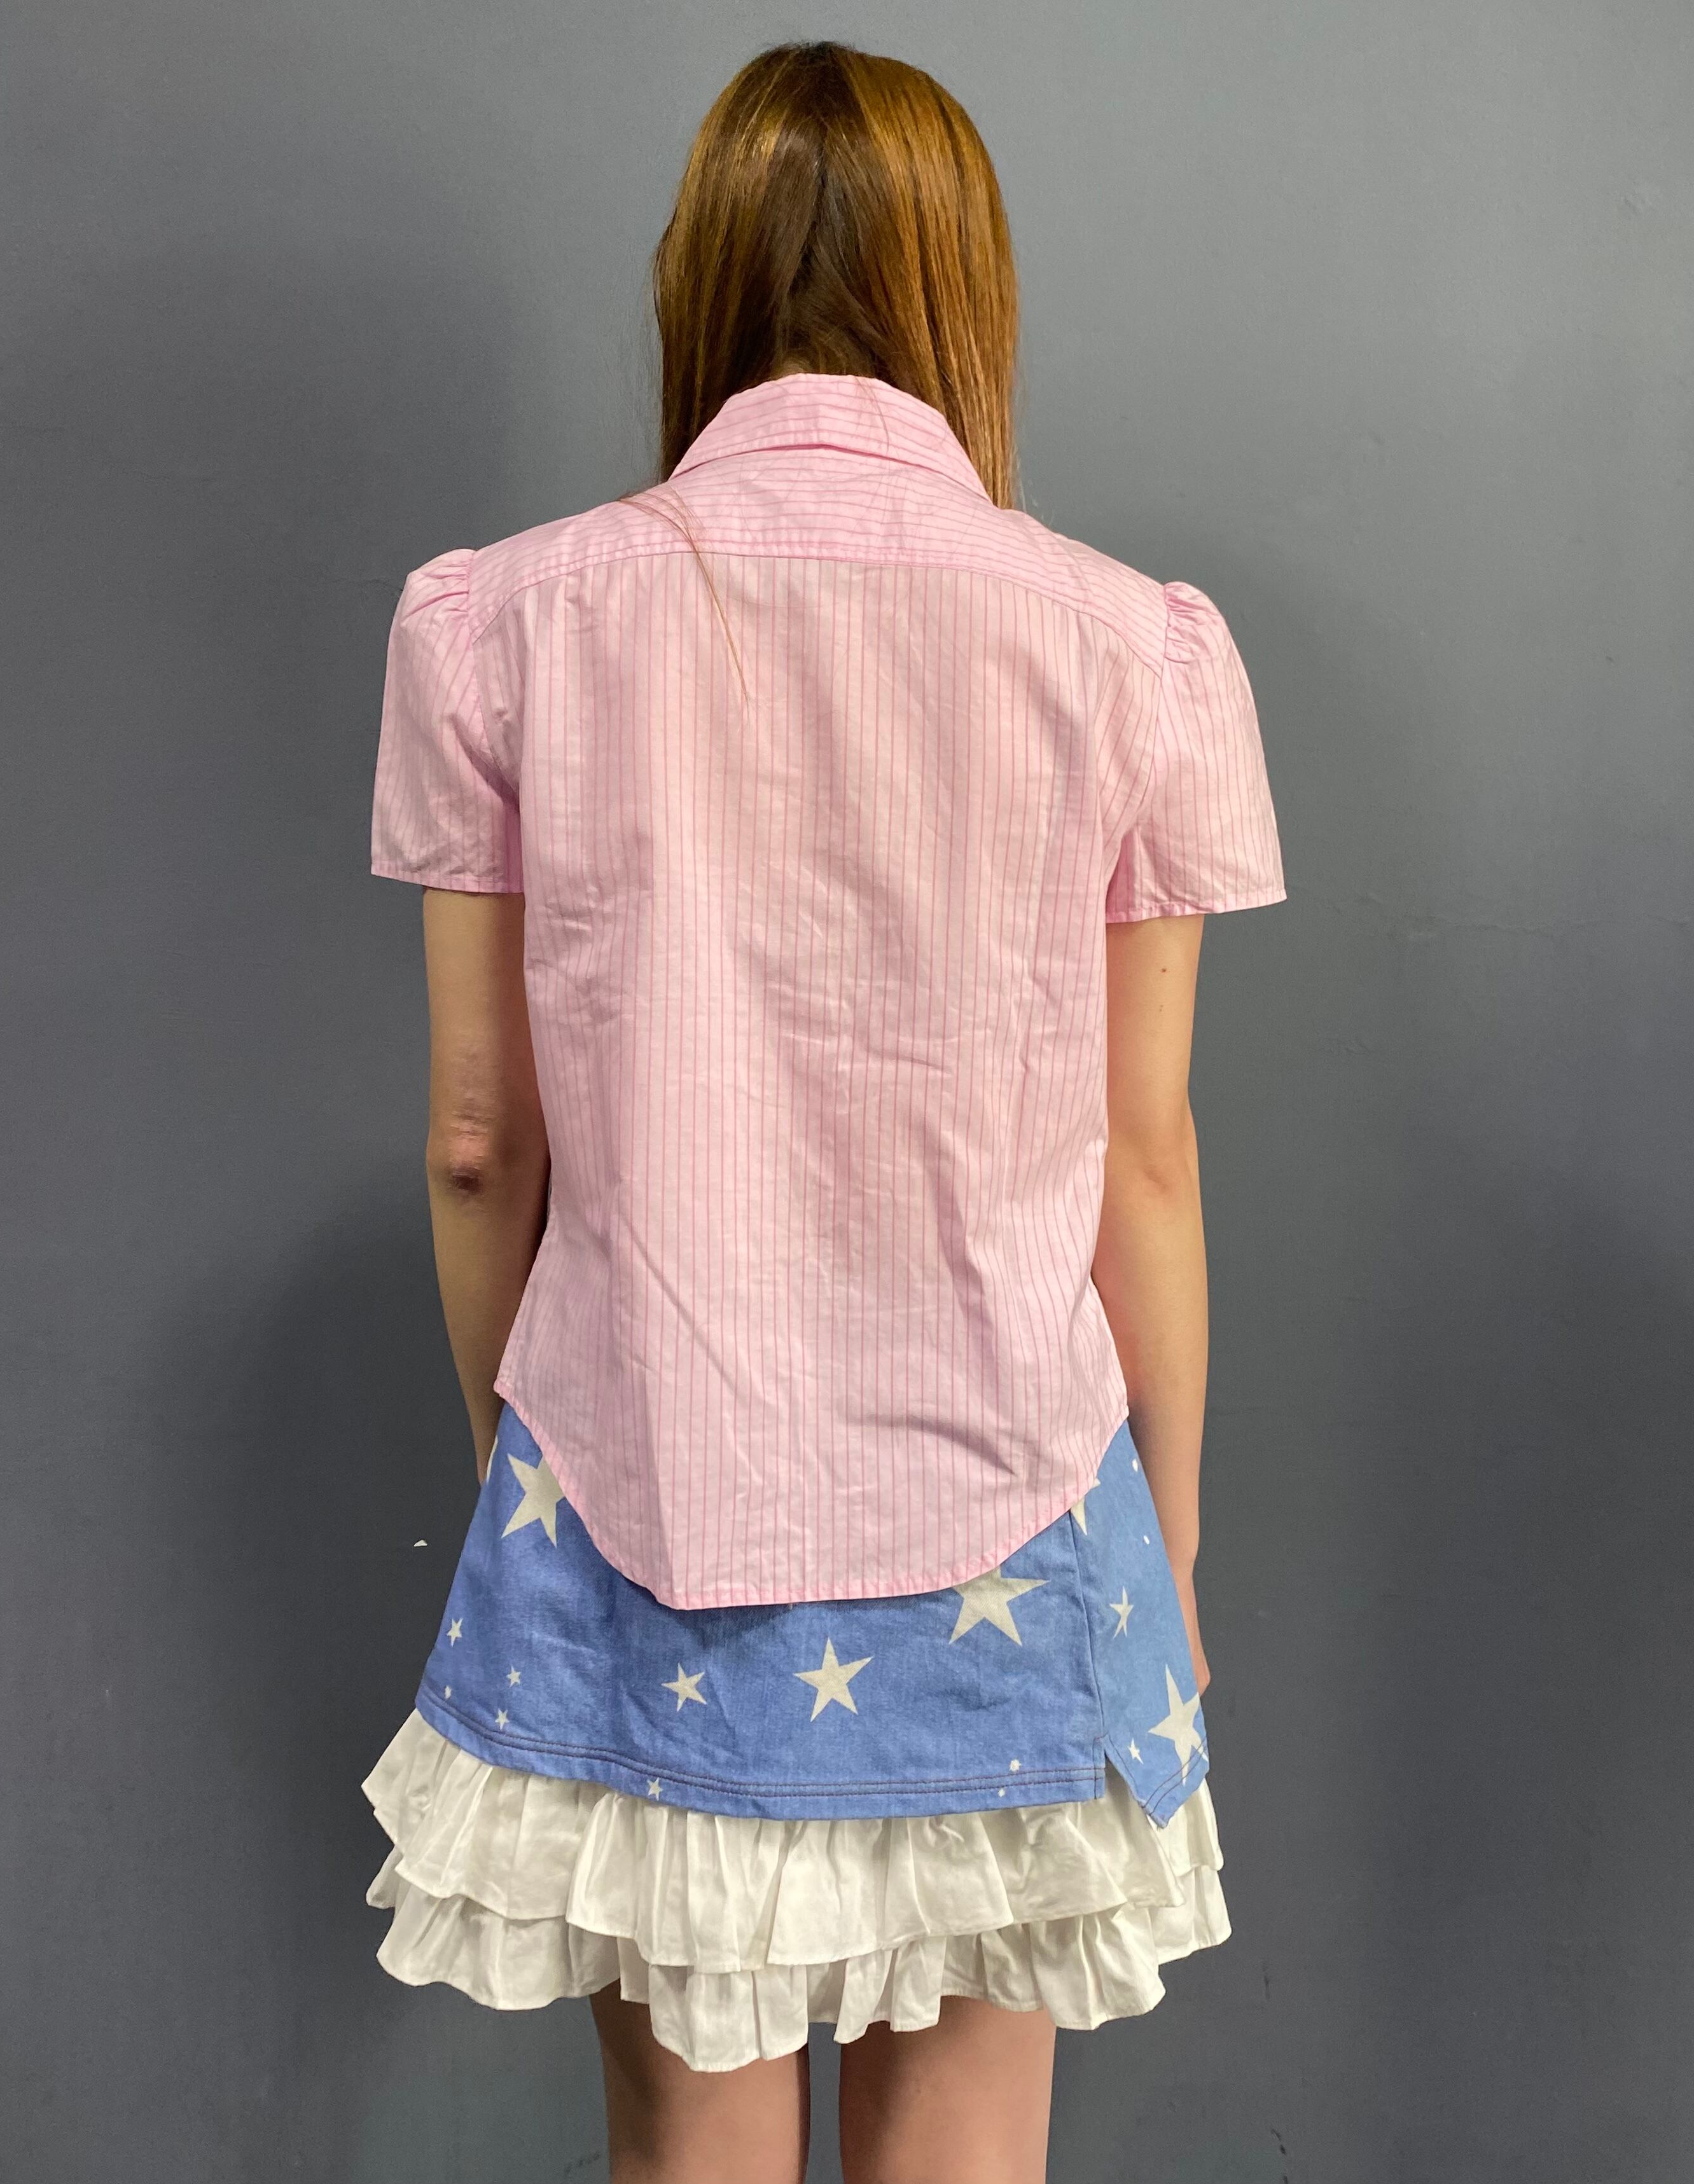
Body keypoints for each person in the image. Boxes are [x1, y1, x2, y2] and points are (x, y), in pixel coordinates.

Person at [360, 38, 1284, 2184]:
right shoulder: (1132, 649)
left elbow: (480, 1138)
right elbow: (1143, 1155)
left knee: (685, 2151)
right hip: (1018, 1503)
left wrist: (519, 1449)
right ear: (970, 287)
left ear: (693, 277)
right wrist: (1166, 1530)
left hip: (635, 1493)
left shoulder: (501, 621)